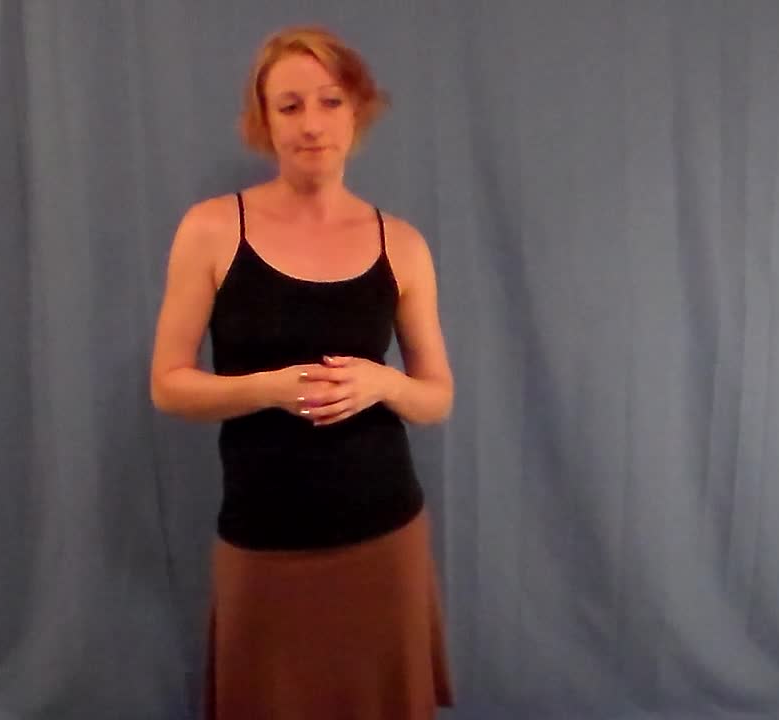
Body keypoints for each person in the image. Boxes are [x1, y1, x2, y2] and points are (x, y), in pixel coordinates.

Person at [149, 24, 455, 719]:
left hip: (384, 536)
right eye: (289, 106)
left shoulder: (402, 244)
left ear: (358, 111)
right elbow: (168, 383)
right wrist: (270, 389)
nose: (312, 124)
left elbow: (437, 397)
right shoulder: (212, 229)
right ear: (264, 121)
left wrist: (384, 383)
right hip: (265, 534)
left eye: (330, 101)